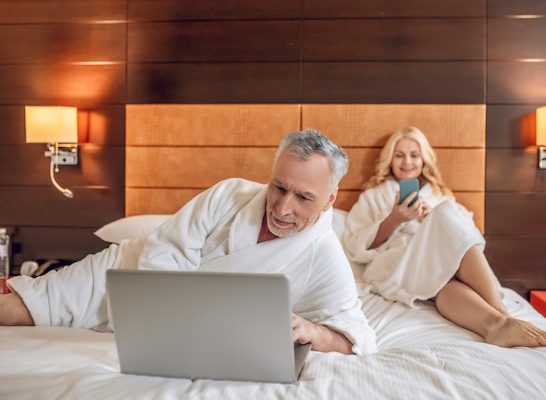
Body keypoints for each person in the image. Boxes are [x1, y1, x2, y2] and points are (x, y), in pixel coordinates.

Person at [0, 130, 377, 355]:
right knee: (17, 309)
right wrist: (156, 317)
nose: (282, 206)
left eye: (303, 198)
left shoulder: (324, 255)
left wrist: (313, 332)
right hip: (129, 275)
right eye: (278, 187)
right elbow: (165, 248)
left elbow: (356, 337)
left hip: (194, 330)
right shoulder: (229, 194)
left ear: (330, 199)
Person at [341, 126, 546, 348]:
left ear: (424, 159)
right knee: (446, 217)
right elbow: (355, 246)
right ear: (390, 159)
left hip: (438, 265)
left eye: (414, 154)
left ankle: (499, 325)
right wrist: (394, 219)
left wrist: (433, 222)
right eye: (399, 155)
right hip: (397, 263)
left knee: (445, 268)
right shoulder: (373, 196)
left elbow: (469, 240)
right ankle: (504, 314)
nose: (407, 162)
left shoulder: (440, 196)